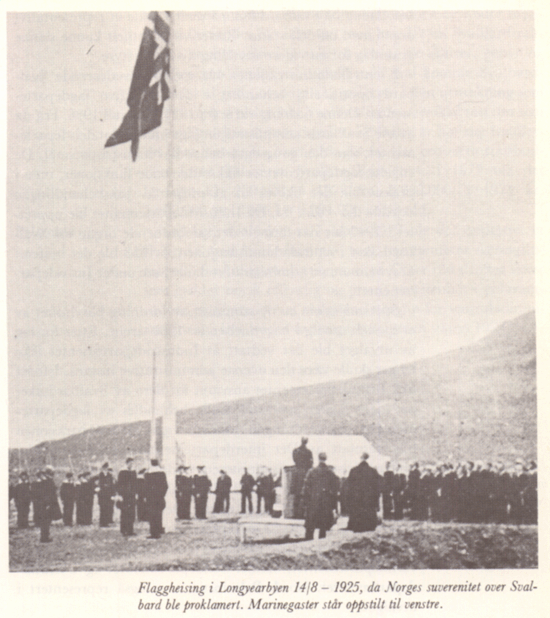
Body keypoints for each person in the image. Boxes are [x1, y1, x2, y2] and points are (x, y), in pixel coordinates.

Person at [301, 452, 339, 540]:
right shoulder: (330, 472)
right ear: (326, 459)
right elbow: (336, 487)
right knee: (323, 525)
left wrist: (306, 501)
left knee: (310, 524)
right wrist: (333, 503)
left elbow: (306, 487)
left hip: (313, 501)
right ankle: (321, 544)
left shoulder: (312, 471)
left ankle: (308, 541)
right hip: (325, 502)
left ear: (318, 459)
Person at [346, 452, 381, 532]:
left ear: (360, 458)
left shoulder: (353, 470)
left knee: (358, 528)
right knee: (369, 528)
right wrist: (377, 504)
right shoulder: (373, 471)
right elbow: (377, 489)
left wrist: (349, 503)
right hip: (369, 503)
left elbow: (349, 489)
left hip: (357, 503)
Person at [143, 459, 168, 539]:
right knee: (159, 514)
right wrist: (161, 495)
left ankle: (154, 533)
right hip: (159, 497)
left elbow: (145, 487)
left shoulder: (147, 474)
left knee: (152, 516)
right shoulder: (162, 473)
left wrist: (147, 496)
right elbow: (165, 486)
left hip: (151, 498)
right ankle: (158, 531)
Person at [36, 466, 61, 543]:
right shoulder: (45, 481)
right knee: (45, 520)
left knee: (48, 520)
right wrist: (47, 503)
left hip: (50, 503)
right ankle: (44, 537)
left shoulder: (48, 480)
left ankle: (46, 535)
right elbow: (45, 493)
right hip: (47, 504)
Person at [292, 437, 314, 518]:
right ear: (307, 442)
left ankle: (295, 513)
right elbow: (311, 463)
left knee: (296, 495)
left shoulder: (295, 451)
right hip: (305, 474)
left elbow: (294, 460)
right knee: (305, 495)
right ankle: (303, 514)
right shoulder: (308, 452)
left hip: (297, 474)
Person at [116, 457, 137, 536]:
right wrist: (120, 495)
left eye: (132, 463)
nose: (131, 464)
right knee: (124, 513)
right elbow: (119, 484)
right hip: (124, 496)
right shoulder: (122, 472)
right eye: (130, 463)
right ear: (127, 463)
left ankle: (130, 530)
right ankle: (124, 530)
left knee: (132, 513)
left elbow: (135, 484)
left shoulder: (133, 472)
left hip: (132, 495)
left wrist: (136, 493)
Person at [97, 462, 115, 527]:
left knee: (107, 508)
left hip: (108, 494)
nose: (106, 469)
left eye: (107, 468)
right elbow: (100, 484)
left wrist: (113, 494)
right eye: (105, 468)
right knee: (102, 508)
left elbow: (112, 485)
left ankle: (106, 522)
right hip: (102, 494)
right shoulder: (100, 475)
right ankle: (102, 522)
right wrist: (105, 486)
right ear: (103, 468)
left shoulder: (109, 475)